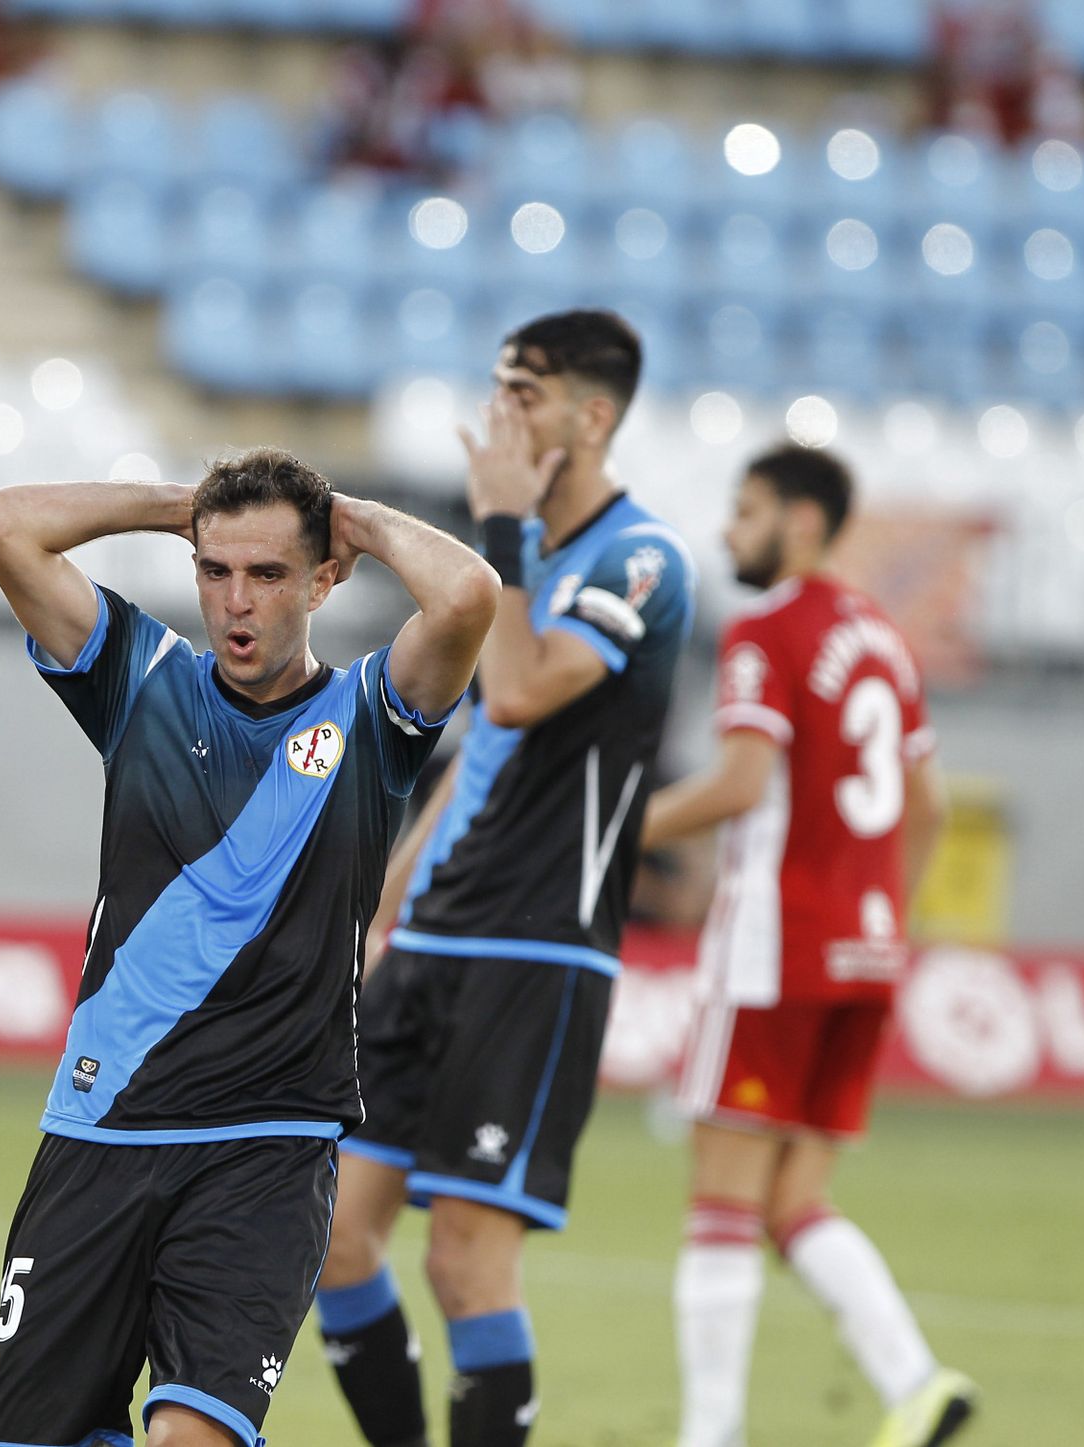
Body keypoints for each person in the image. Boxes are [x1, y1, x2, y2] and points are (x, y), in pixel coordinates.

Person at [0, 449, 500, 1447]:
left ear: (324, 579)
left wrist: (354, 519)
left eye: (267, 572)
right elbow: (3, 522)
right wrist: (182, 507)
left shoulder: (373, 715)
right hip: (103, 1126)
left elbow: (469, 593)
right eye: (216, 571)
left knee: (193, 1436)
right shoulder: (139, 678)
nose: (236, 601)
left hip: (268, 1146)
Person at [315, 309, 696, 1447]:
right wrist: (386, 899)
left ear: (594, 415)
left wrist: (500, 531)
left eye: (526, 394)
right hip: (436, 935)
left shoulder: (639, 560)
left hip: (537, 948)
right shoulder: (526, 566)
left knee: (465, 1261)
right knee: (334, 1239)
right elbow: (484, 742)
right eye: (497, 389)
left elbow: (523, 690)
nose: (501, 415)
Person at [641, 444, 977, 1447]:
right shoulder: (883, 637)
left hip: (772, 946)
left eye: (745, 511)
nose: (728, 530)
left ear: (799, 520)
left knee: (722, 1193)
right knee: (795, 1198)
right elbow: (929, 804)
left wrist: (620, 829)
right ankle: (916, 1382)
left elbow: (742, 783)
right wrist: (880, 918)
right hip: (866, 953)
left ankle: (710, 1432)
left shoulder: (766, 629)